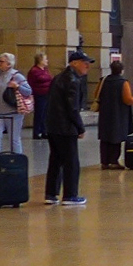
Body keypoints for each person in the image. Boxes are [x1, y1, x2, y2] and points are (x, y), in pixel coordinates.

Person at [42, 51, 92, 207]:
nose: (87, 66)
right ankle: (70, 195)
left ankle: (51, 194)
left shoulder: (58, 78)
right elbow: (73, 107)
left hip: (53, 125)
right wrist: (80, 127)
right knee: (71, 162)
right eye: (85, 63)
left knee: (55, 160)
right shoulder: (73, 80)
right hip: (65, 127)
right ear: (75, 63)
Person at [96, 57, 133, 169]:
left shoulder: (103, 80)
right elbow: (127, 99)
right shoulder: (123, 83)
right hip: (118, 114)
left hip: (105, 113)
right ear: (121, 70)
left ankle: (104, 162)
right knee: (116, 137)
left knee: (105, 138)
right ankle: (114, 161)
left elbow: (96, 94)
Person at [0, 52, 31, 156]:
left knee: (14, 138)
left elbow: (28, 91)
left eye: (1, 62)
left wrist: (17, 87)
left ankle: (17, 162)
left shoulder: (17, 76)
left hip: (13, 113)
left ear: (9, 64)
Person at [27, 54, 53, 138]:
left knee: (45, 113)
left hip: (47, 93)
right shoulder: (34, 71)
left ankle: (44, 131)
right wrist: (31, 95)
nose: (47, 61)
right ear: (40, 60)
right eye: (45, 59)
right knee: (39, 113)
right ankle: (36, 132)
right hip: (39, 94)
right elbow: (30, 83)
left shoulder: (45, 69)